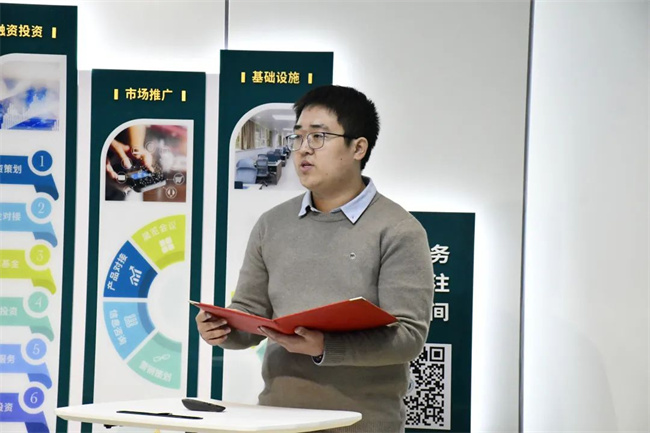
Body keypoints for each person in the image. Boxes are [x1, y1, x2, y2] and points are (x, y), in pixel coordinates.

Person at [196, 85, 434, 432]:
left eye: (319, 136)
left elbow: (408, 337)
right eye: (298, 137)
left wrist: (325, 347)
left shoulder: (398, 230)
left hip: (362, 423)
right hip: (277, 420)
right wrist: (222, 330)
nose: (304, 148)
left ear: (358, 147)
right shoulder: (272, 224)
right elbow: (251, 312)